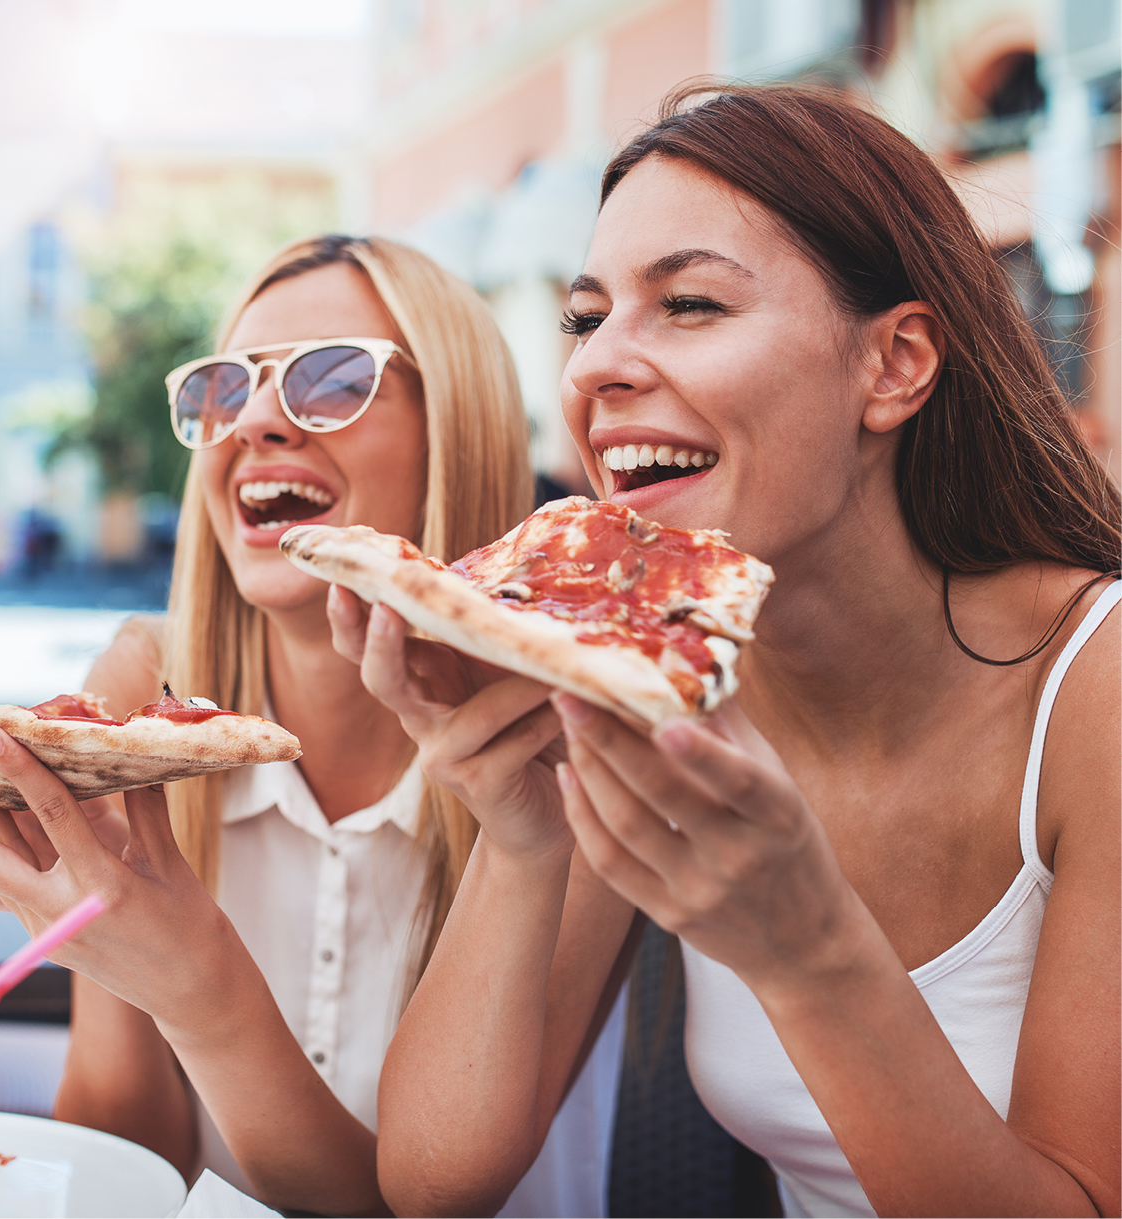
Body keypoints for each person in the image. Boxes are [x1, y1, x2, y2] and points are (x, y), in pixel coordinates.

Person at [326, 83, 1121, 1218]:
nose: (594, 367)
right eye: (585, 318)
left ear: (895, 363)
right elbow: (434, 1179)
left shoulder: (1099, 690)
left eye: (690, 303)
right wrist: (522, 835)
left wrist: (809, 949)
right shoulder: (644, 683)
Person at [0, 234, 627, 1216]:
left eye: (334, 381)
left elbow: (423, 1206)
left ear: (456, 431)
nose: (254, 421)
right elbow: (122, 1165)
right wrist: (94, 940)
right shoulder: (138, 695)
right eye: (224, 389)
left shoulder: (572, 742)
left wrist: (200, 989)